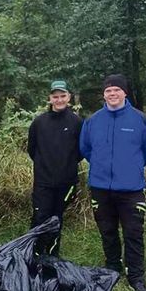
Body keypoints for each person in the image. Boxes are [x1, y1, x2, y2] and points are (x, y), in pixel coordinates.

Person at [80, 74, 146, 291]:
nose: (112, 94)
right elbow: (85, 149)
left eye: (117, 90)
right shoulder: (93, 120)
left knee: (134, 233)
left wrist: (131, 166)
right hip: (100, 187)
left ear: (125, 92)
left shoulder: (141, 120)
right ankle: (113, 266)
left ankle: (136, 277)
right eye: (108, 91)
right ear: (104, 95)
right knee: (107, 230)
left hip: (131, 189)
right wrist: (101, 165)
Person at [27, 80, 83, 256]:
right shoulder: (39, 122)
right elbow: (32, 149)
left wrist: (65, 165)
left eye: (62, 96)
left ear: (69, 98)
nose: (59, 100)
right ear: (50, 98)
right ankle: (34, 253)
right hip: (43, 181)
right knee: (40, 217)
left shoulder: (76, 122)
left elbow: (81, 151)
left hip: (66, 182)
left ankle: (52, 254)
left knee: (56, 217)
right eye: (55, 96)